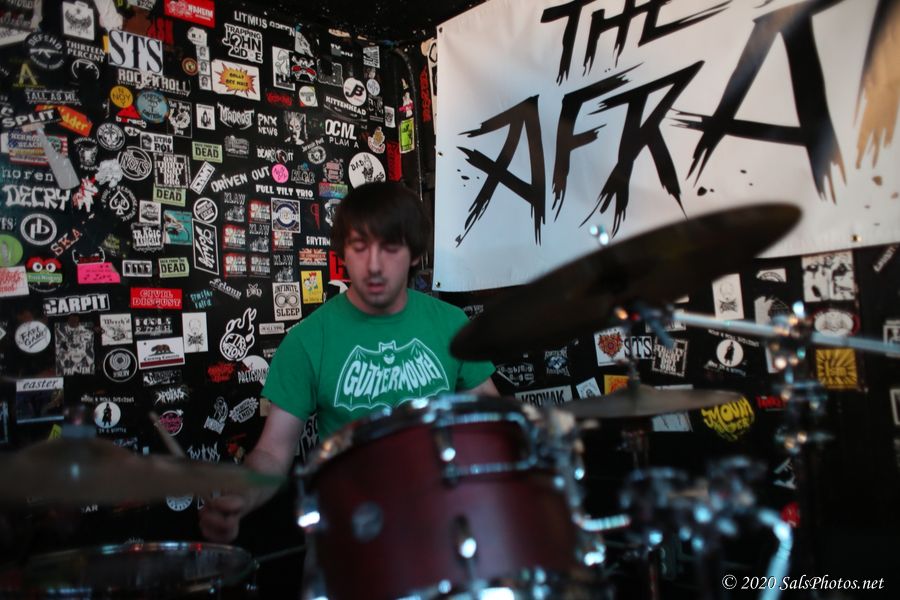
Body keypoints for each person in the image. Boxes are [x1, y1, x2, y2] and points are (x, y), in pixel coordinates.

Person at [199, 181, 498, 542]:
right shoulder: (307, 340)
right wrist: (241, 497)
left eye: (390, 247)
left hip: (444, 522)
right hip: (355, 532)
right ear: (343, 252)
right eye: (359, 247)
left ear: (416, 254)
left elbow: (493, 420)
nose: (374, 266)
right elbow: (273, 451)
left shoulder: (450, 324)